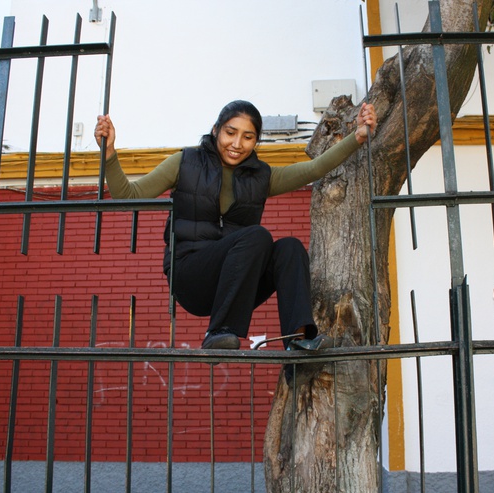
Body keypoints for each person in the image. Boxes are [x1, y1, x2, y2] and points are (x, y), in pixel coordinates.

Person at [95, 100, 376, 351]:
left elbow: (314, 169)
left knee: (290, 247)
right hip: (191, 274)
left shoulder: (261, 177)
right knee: (257, 236)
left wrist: (358, 137)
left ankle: (299, 338)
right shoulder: (185, 163)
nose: (237, 143)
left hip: (235, 283)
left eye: (248, 137)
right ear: (216, 129)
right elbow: (127, 196)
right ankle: (219, 333)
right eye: (231, 132)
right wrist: (109, 154)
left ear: (256, 141)